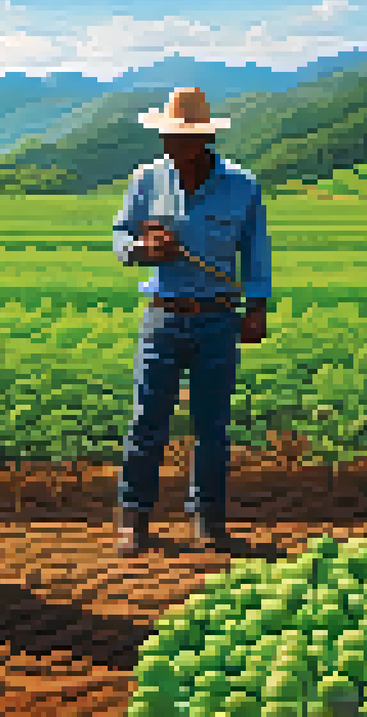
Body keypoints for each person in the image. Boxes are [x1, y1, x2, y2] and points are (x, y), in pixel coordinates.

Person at [111, 87, 274, 558]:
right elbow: (121, 236)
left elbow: (255, 248)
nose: (169, 144)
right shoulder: (146, 180)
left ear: (203, 139)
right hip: (162, 316)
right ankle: (133, 520)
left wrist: (257, 307)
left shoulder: (242, 185)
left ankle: (207, 520)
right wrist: (143, 250)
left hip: (219, 320)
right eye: (166, 134)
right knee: (147, 421)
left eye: (179, 136)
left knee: (212, 426)